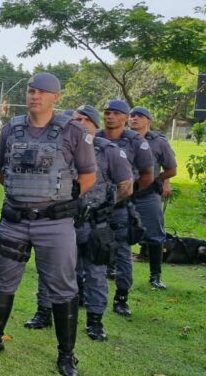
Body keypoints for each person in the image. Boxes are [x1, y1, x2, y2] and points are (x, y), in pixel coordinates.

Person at [0, 72, 96, 376]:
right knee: (3, 280)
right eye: (31, 91)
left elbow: (88, 176)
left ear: (56, 97)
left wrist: (60, 199)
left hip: (54, 224)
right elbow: (1, 172)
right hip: (15, 221)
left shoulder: (73, 132)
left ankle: (66, 355)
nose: (35, 96)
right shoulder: (12, 129)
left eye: (42, 92)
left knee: (62, 286)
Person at [72, 106, 132, 341]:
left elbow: (127, 186)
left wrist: (104, 204)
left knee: (96, 273)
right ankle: (45, 312)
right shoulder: (63, 148)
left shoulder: (109, 151)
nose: (81, 122)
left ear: (96, 126)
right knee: (58, 270)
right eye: (77, 119)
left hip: (95, 222)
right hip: (65, 220)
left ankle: (95, 322)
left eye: (87, 119)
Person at [98, 99, 154, 317]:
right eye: (107, 112)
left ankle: (121, 297)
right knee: (88, 246)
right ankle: (84, 292)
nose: (110, 116)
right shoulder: (95, 137)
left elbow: (148, 175)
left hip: (121, 205)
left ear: (124, 117)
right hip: (94, 205)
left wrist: (129, 196)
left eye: (115, 113)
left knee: (122, 251)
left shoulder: (136, 141)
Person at [129, 106, 177, 290]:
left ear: (148, 120)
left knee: (155, 235)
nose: (134, 119)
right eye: (132, 116)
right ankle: (112, 269)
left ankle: (155, 275)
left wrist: (159, 180)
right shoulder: (119, 138)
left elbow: (171, 169)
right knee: (114, 231)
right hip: (122, 194)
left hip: (147, 195)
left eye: (139, 116)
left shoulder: (158, 142)